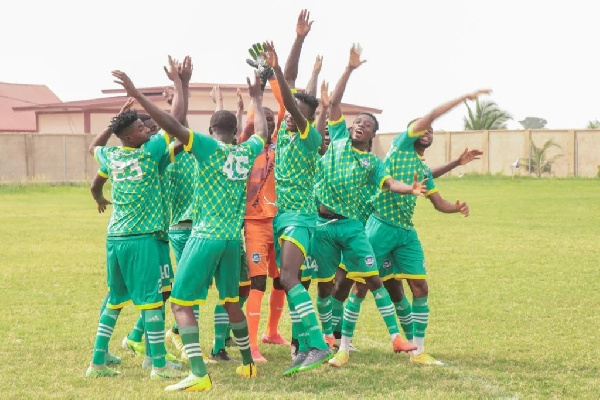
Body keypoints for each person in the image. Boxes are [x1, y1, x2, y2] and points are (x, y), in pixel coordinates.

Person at [112, 68, 269, 391]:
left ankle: (198, 373)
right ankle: (248, 365)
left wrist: (143, 95)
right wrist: (256, 96)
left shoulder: (207, 148)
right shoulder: (246, 151)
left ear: (212, 130)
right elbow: (263, 135)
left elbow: (173, 125)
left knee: (181, 304)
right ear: (236, 129)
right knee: (230, 301)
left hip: (205, 236)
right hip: (231, 240)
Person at [305, 45, 426, 368]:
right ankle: (329, 337)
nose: (359, 125)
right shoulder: (339, 139)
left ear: (372, 135)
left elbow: (389, 183)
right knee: (326, 283)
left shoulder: (372, 163)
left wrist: (409, 188)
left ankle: (396, 337)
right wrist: (349, 69)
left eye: (366, 125)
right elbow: (335, 104)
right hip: (322, 225)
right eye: (357, 121)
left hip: (352, 226)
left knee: (372, 278)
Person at [363, 89, 490, 366]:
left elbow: (438, 201)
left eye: (432, 130)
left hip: (405, 232)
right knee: (361, 284)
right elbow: (430, 115)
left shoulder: (420, 167)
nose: (428, 131)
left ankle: (417, 351)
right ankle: (338, 341)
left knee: (419, 286)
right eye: (423, 127)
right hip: (379, 225)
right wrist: (462, 99)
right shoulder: (401, 143)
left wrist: (456, 207)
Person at [86, 104, 186, 380]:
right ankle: (158, 365)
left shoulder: (113, 155)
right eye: (140, 129)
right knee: (151, 301)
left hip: (116, 236)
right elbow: (175, 119)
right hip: (142, 238)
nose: (147, 130)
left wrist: (114, 122)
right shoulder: (148, 154)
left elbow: (93, 147)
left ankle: (97, 361)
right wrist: (181, 83)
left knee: (115, 298)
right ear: (129, 137)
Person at [262, 38, 334, 375]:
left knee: (289, 278)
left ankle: (318, 344)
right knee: (291, 282)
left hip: (300, 220)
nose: (290, 117)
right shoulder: (282, 135)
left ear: (307, 120)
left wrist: (275, 69)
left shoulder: (309, 139)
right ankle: (304, 347)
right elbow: (292, 97)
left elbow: (291, 101)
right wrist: (294, 48)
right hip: (282, 220)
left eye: (298, 115)